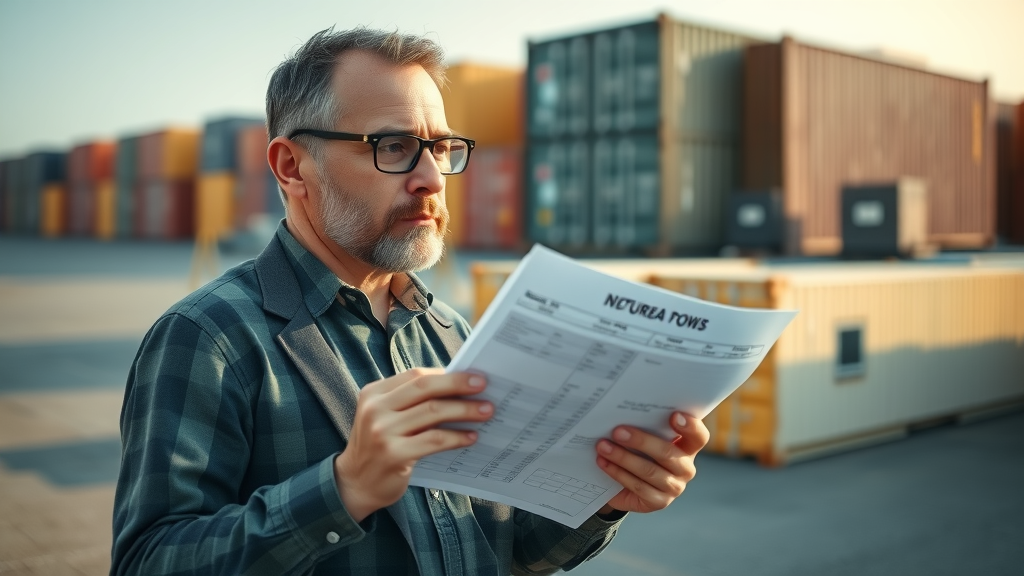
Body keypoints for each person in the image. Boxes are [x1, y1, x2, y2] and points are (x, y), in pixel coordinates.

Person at [110, 26, 710, 576]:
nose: (429, 177)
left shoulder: (451, 332)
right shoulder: (209, 338)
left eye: (441, 147)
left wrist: (598, 498)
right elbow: (147, 561)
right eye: (393, 146)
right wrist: (342, 489)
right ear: (292, 166)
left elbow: (505, 549)